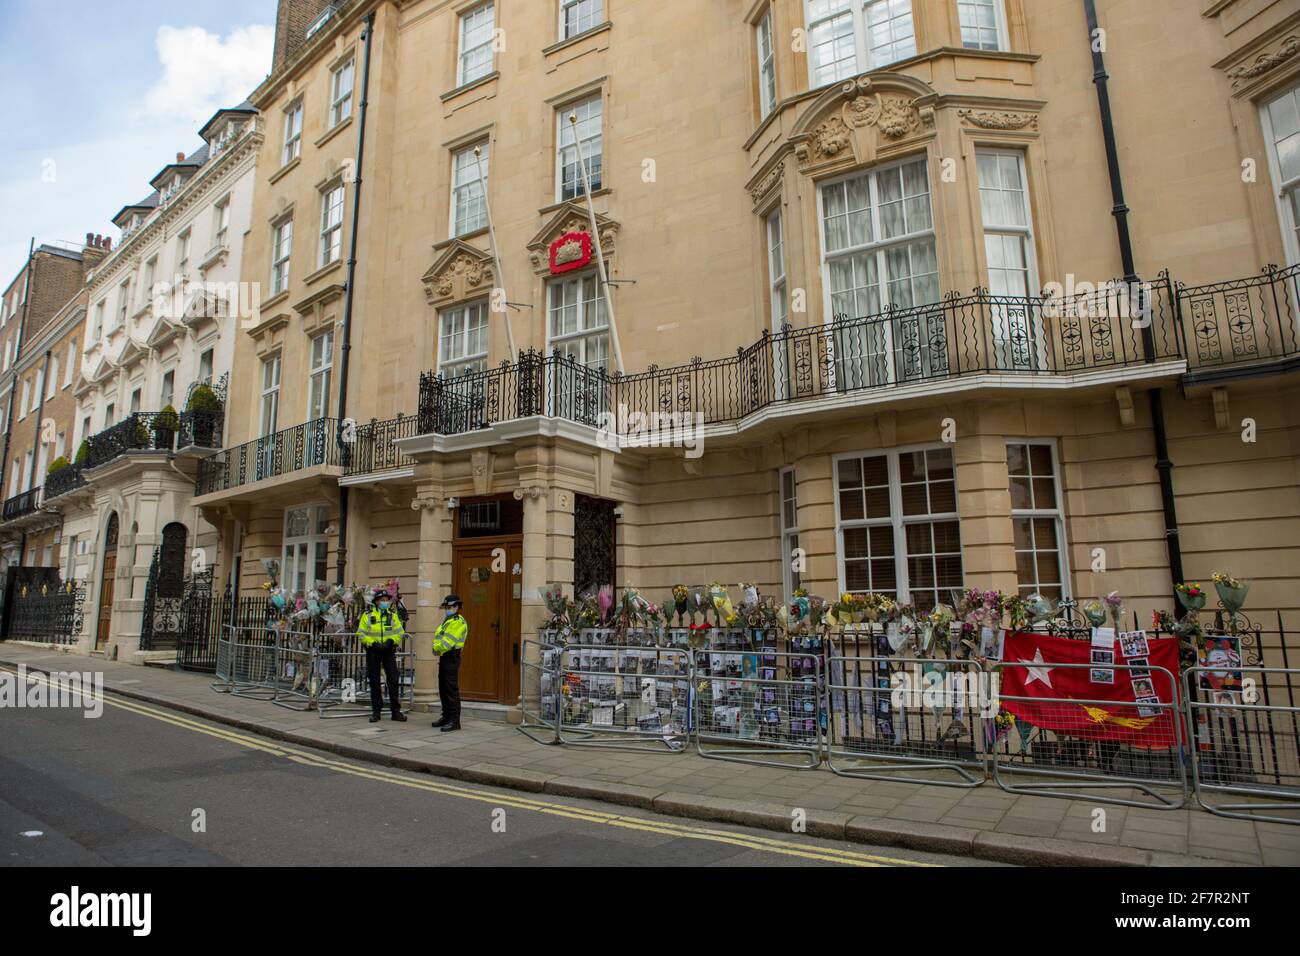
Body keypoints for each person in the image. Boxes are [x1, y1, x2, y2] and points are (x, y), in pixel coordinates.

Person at [358, 588, 408, 724]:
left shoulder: (392, 614)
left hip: (388, 650)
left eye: (387, 600)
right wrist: (372, 643)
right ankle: (376, 712)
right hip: (373, 651)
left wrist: (392, 641)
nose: (385, 602)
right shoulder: (367, 615)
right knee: (374, 681)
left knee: (393, 679)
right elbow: (361, 633)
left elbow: (400, 632)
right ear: (376, 602)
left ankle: (395, 712)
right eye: (382, 600)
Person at [432, 594, 468, 732]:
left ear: (457, 607)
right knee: (443, 687)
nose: (448, 609)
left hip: (451, 656)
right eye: (446, 607)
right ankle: (446, 716)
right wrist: (437, 648)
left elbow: (448, 641)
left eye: (451, 607)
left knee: (451, 689)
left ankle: (454, 721)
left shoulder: (458, 621)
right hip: (444, 656)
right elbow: (440, 638)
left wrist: (436, 648)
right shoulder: (448, 620)